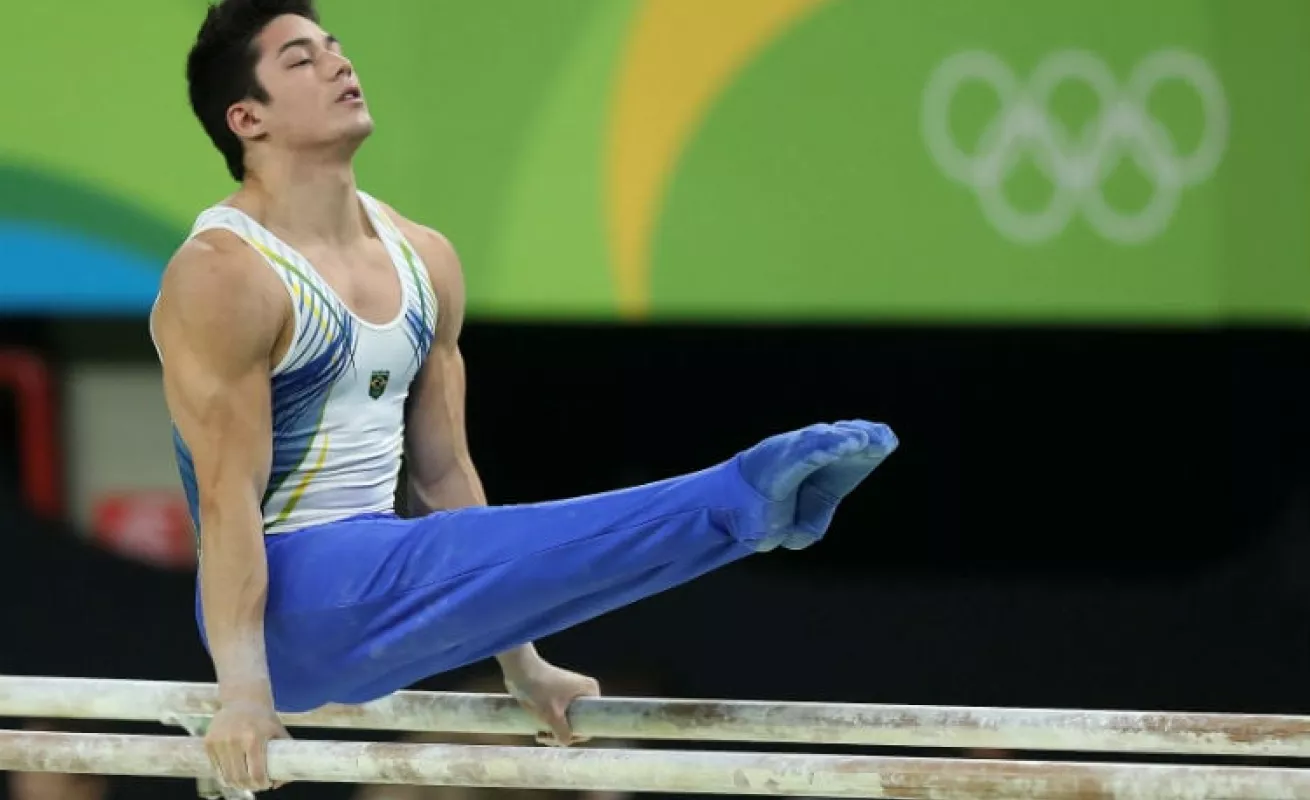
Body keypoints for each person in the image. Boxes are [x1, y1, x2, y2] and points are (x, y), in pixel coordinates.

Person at [151, 0, 899, 793]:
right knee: (426, 555)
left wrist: (523, 664)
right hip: (284, 607)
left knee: (464, 545)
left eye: (335, 47)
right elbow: (229, 501)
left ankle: (751, 514)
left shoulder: (424, 258)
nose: (339, 63)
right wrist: (241, 696)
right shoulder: (225, 275)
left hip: (391, 579)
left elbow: (446, 482)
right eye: (301, 60)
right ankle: (741, 498)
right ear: (246, 118)